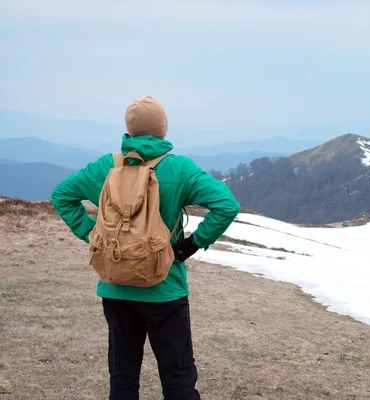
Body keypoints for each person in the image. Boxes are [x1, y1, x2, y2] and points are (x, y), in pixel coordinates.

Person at [51, 95, 240, 400]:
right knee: (178, 380)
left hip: (116, 288)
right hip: (166, 288)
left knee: (123, 379)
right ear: (163, 129)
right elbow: (227, 204)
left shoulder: (106, 166)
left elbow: (62, 195)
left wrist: (93, 236)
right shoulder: (178, 168)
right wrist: (190, 245)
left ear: (130, 129)